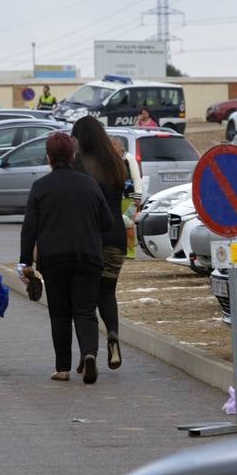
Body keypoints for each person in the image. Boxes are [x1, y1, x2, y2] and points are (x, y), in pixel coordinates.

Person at [18, 132, 111, 385]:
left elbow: (30, 228)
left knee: (59, 313)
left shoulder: (41, 187)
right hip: (88, 257)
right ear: (72, 156)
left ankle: (62, 368)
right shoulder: (89, 183)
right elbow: (106, 221)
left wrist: (24, 262)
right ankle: (89, 354)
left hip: (54, 259)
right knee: (85, 311)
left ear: (49, 157)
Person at [72, 116, 130, 370]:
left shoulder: (79, 164)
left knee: (85, 300)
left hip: (89, 239)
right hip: (117, 237)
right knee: (107, 292)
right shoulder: (117, 163)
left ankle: (89, 353)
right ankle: (114, 334)